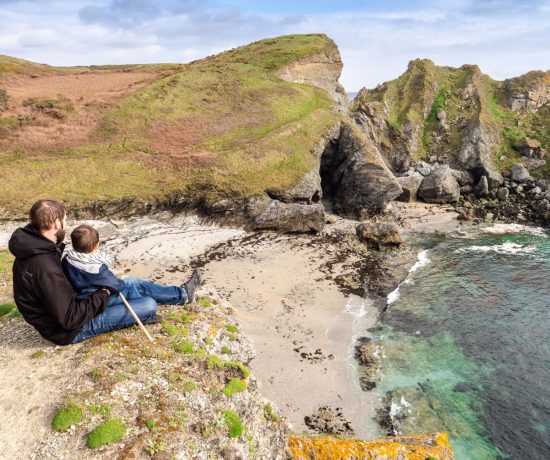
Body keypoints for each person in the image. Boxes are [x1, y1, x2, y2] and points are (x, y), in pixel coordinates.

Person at [8, 199, 202, 345]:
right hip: (67, 329)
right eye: (64, 220)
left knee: (132, 282)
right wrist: (104, 292)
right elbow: (69, 318)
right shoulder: (43, 267)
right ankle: (138, 312)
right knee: (148, 305)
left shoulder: (39, 246)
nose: (66, 225)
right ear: (54, 223)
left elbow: (61, 291)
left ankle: (183, 295)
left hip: (73, 302)